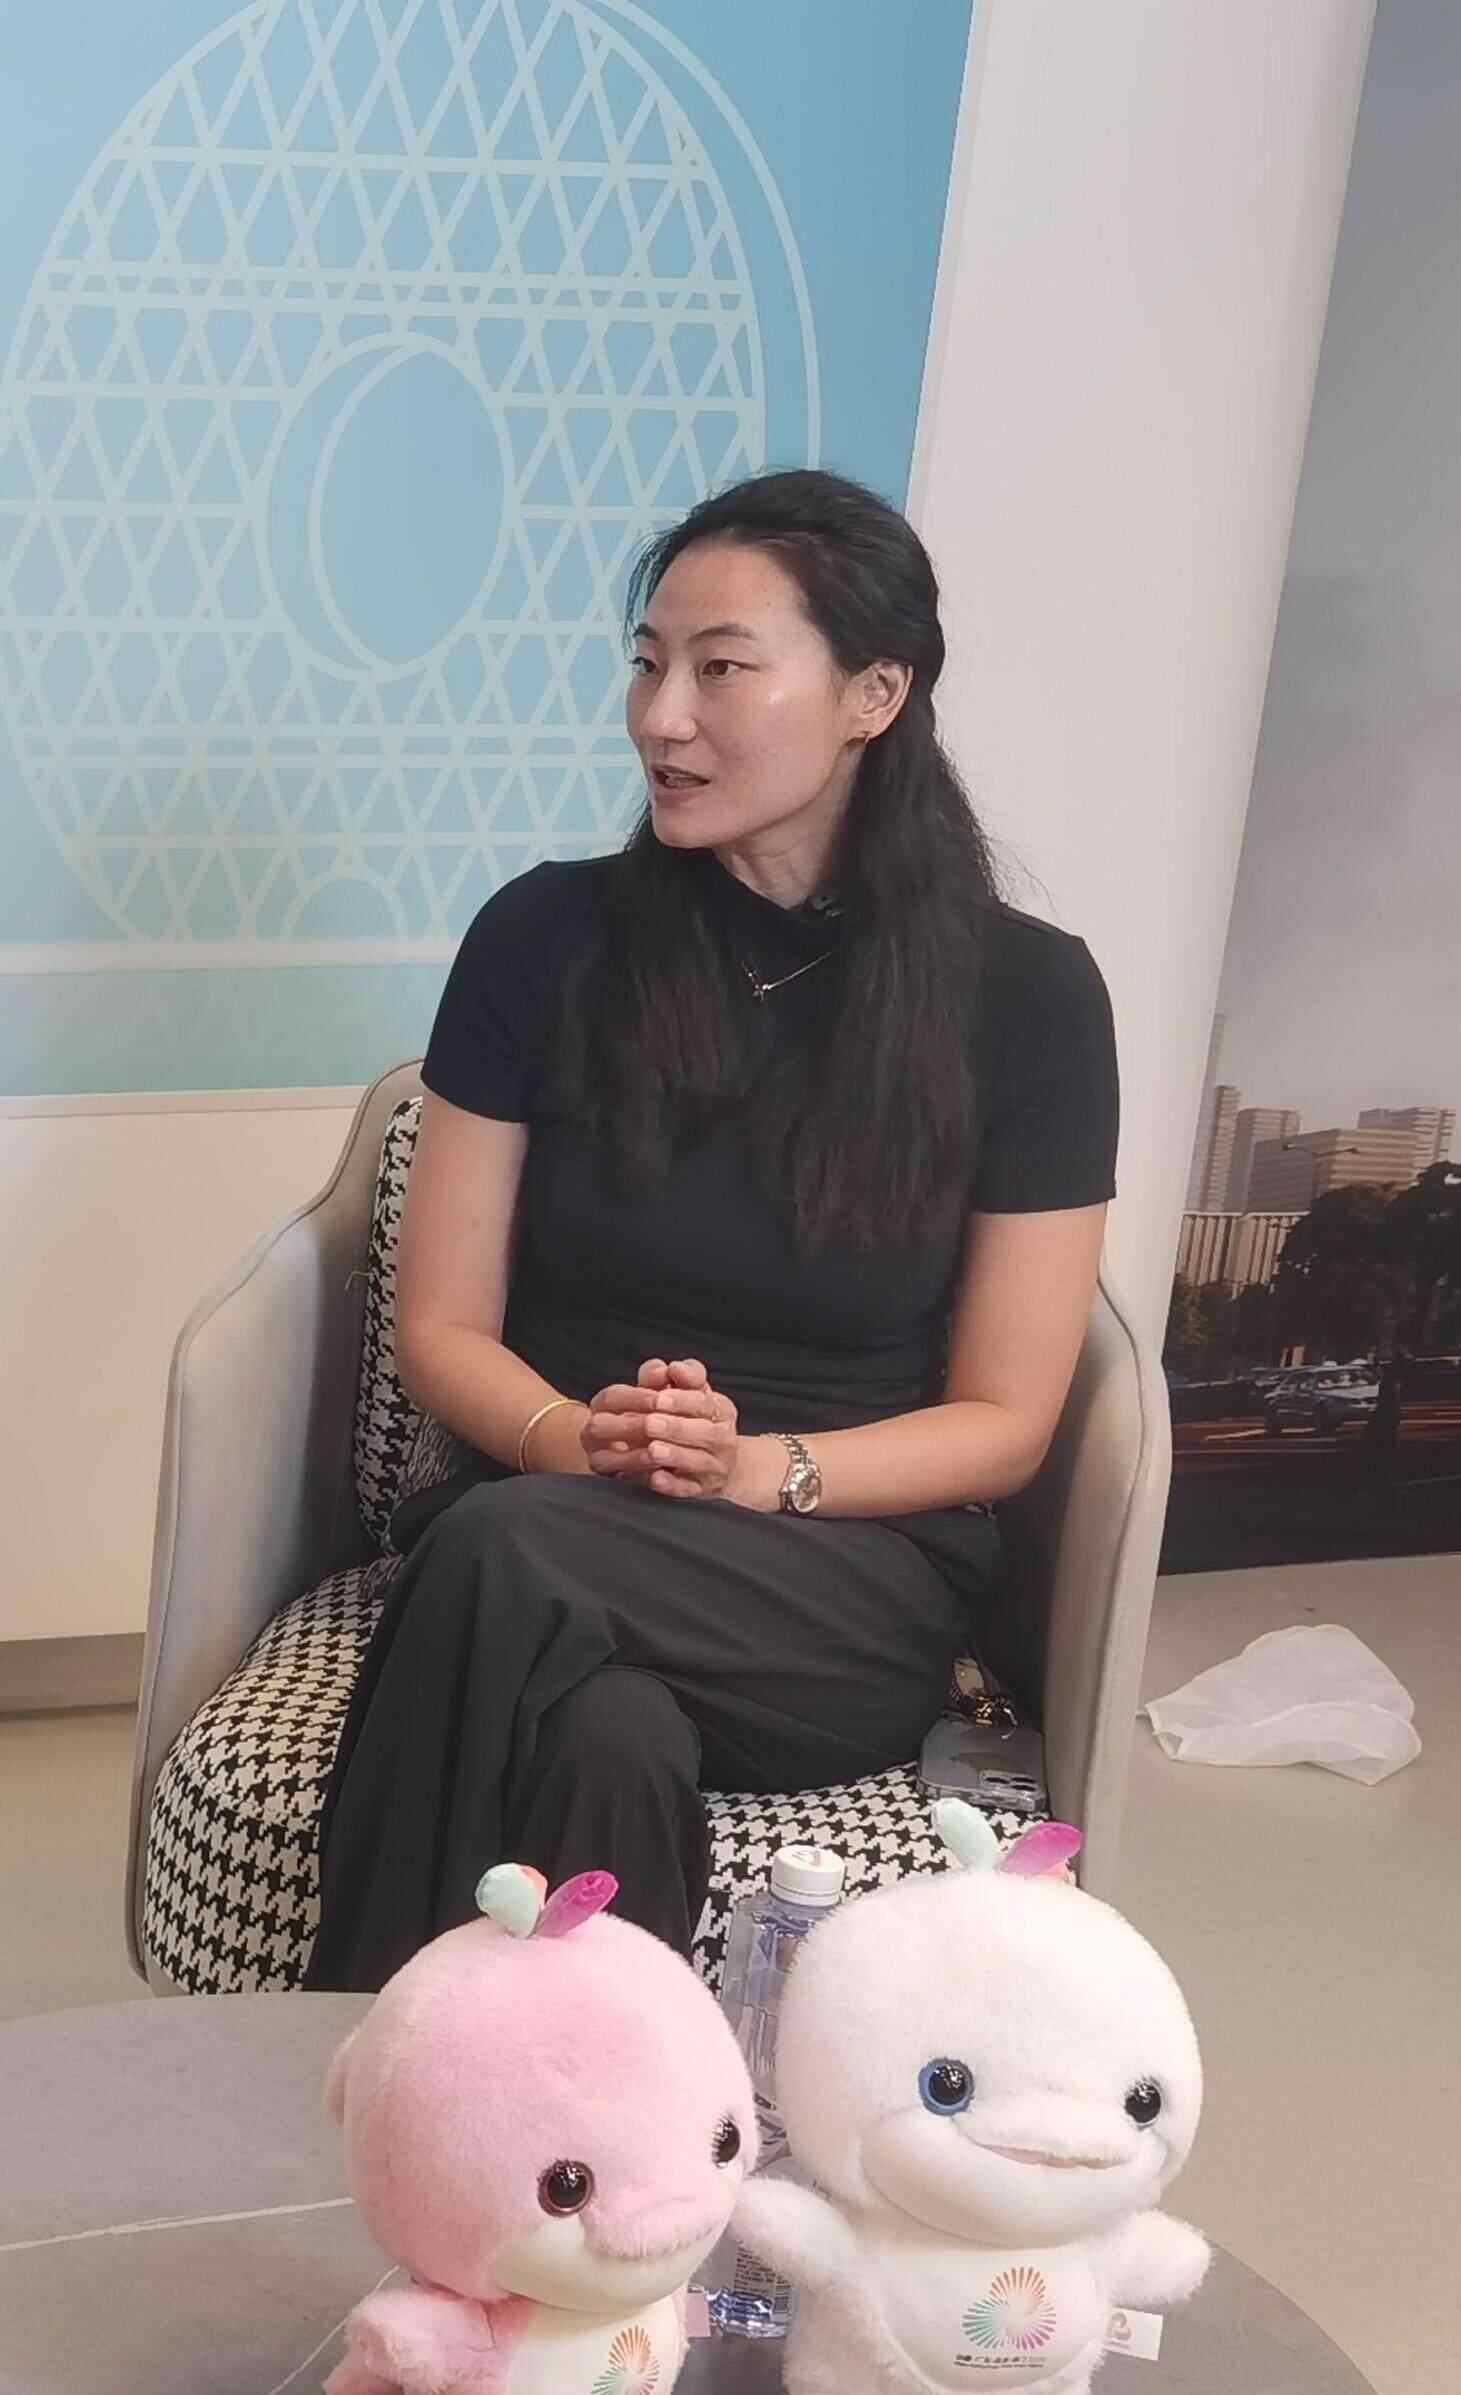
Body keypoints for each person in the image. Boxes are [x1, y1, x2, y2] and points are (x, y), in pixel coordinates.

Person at [310, 470, 1116, 1990]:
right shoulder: (543, 940)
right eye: (647, 663)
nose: (659, 716)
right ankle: (620, 2124)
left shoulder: (1030, 999)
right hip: (559, 1507)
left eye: (722, 668)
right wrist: (581, 1442)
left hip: (838, 1572)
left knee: (495, 1563)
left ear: (875, 694)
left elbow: (1007, 1424)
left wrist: (758, 1470)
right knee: (606, 1741)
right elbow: (441, 1330)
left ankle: (340, 2068)